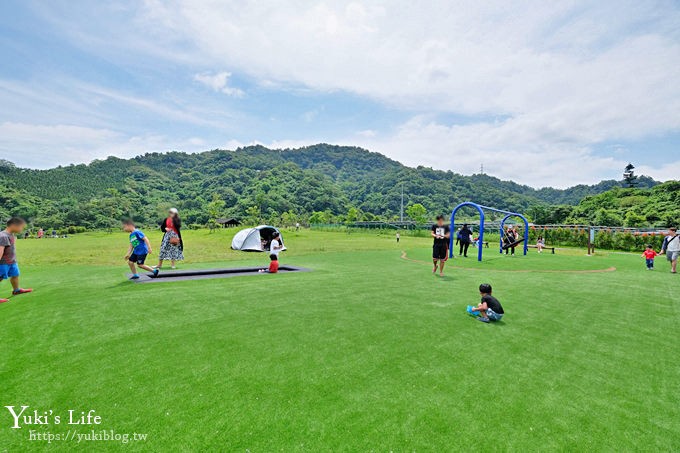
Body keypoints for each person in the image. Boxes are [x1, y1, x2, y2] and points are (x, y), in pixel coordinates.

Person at [0, 217, 33, 302]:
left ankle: (16, 290)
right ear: (14, 226)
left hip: (12, 261)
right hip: (3, 262)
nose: (22, 229)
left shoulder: (12, 235)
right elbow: (0, 250)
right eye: (21, 227)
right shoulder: (3, 236)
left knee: (15, 275)